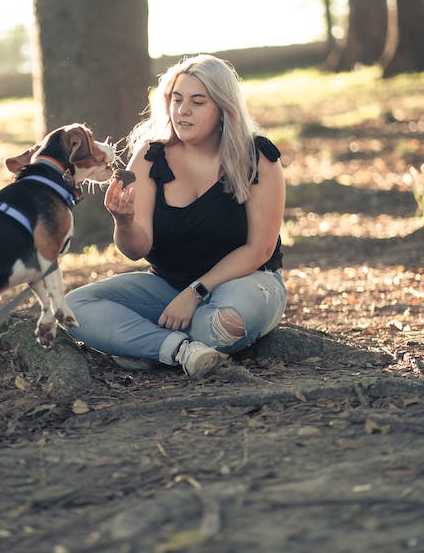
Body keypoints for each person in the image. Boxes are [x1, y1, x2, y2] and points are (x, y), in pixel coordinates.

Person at [66, 54, 286, 378]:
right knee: (70, 309)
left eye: (197, 102)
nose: (182, 111)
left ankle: (144, 343)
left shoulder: (258, 156)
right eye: (176, 99)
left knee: (220, 324)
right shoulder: (150, 156)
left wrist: (195, 293)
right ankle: (179, 350)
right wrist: (123, 221)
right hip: (168, 290)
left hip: (244, 283)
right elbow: (136, 249)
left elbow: (260, 249)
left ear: (223, 109)